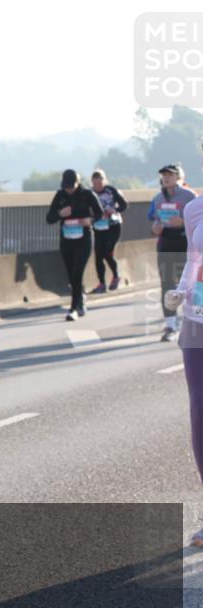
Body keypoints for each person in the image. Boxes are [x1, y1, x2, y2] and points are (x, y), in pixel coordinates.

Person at [164, 143, 203, 549]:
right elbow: (195, 259)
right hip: (198, 321)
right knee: (200, 415)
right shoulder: (193, 209)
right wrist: (181, 291)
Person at [45, 170, 103, 321]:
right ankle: (80, 297)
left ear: (78, 183)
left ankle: (73, 308)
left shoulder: (87, 195)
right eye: (66, 186)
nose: (68, 189)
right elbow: (49, 218)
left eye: (71, 186)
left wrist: (90, 220)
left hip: (83, 239)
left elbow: (99, 213)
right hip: (66, 240)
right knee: (71, 276)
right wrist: (60, 214)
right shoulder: (60, 196)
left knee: (77, 272)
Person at [150, 164, 196, 342]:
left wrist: (182, 222)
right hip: (166, 243)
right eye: (163, 175)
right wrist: (155, 228)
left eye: (170, 174)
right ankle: (170, 325)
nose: (166, 177)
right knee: (166, 284)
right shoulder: (157, 198)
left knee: (188, 285)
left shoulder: (189, 196)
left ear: (179, 177)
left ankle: (191, 320)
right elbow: (154, 221)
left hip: (185, 243)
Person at [88, 170, 128, 294]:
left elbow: (124, 205)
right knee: (98, 255)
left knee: (107, 252)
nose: (98, 186)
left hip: (113, 226)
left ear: (104, 181)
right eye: (95, 184)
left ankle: (116, 276)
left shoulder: (111, 190)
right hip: (99, 227)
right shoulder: (89, 193)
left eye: (100, 183)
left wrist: (114, 209)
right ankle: (102, 283)